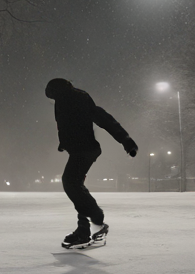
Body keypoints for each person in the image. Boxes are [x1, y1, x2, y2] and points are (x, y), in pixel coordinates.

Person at [45, 78, 138, 249]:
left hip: (85, 149)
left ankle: (97, 224)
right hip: (81, 149)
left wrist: (125, 140)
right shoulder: (66, 100)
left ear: (56, 91)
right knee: (76, 187)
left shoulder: (75, 98)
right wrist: (64, 143)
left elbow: (103, 118)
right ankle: (84, 231)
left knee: (71, 182)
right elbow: (71, 125)